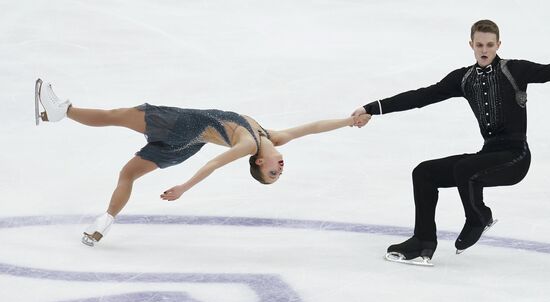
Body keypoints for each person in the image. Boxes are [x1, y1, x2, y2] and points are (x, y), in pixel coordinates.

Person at [351, 19, 550, 266]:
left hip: (515, 158)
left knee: (465, 169)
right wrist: (372, 108)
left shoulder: (515, 71)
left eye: (490, 45)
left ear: (498, 45)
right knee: (424, 172)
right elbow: (420, 96)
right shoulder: (462, 79)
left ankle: (479, 217)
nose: (485, 50)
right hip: (488, 155)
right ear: (471, 45)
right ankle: (422, 240)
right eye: (479, 45)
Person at [35, 79, 370, 246]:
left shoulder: (249, 143)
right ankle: (103, 223)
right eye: (278, 172)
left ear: (257, 162)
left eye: (271, 174)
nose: (279, 169)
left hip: (180, 126)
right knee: (128, 174)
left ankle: (60, 112)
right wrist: (347, 121)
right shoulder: (272, 136)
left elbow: (214, 165)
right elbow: (312, 128)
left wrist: (184, 187)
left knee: (117, 116)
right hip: (185, 145)